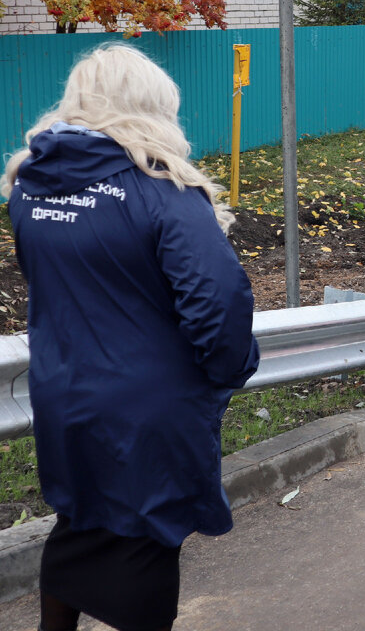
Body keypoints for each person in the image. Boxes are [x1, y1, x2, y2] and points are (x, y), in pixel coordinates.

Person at [3, 44, 260, 631]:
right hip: (148, 405)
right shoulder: (163, 189)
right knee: (149, 535)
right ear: (149, 106)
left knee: (79, 519)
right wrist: (226, 370)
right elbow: (218, 303)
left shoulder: (27, 188)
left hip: (64, 390)